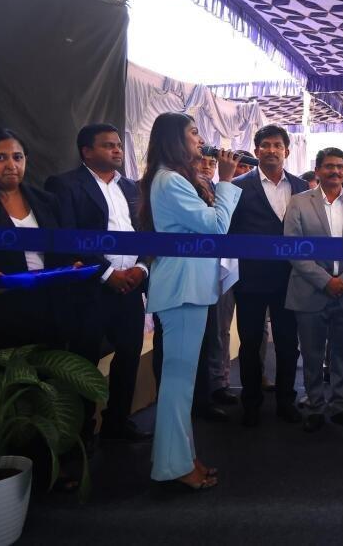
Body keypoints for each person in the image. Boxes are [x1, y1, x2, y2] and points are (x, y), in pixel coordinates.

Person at [138, 112, 242, 490]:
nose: (200, 139)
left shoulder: (173, 178)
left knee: (180, 383)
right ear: (173, 139)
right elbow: (215, 226)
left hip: (187, 287)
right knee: (177, 385)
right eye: (193, 132)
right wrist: (226, 181)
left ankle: (181, 458)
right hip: (182, 289)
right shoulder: (169, 180)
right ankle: (173, 467)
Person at [45, 123, 152, 442]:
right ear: (86, 151)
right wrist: (107, 274)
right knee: (84, 360)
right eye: (108, 145)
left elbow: (146, 232)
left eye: (118, 144)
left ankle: (118, 422)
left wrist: (141, 268)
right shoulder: (65, 185)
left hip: (131, 285)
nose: (117, 150)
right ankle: (81, 434)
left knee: (129, 355)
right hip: (90, 288)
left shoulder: (132, 187)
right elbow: (68, 236)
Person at [285, 147, 343, 432]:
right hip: (310, 290)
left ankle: (340, 406)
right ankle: (315, 406)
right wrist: (325, 281)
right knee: (311, 354)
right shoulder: (298, 202)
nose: (335, 171)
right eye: (329, 166)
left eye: (340, 166)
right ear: (318, 170)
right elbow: (293, 248)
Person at [228, 125, 308, 427]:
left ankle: (286, 401)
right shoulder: (237, 186)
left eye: (277, 145)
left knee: (288, 343)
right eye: (265, 145)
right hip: (250, 279)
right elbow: (230, 230)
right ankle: (250, 403)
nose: (271, 150)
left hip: (291, 278)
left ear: (286, 150)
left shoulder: (302, 187)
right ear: (256, 150)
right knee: (250, 344)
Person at [0, 128, 72, 355]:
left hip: (48, 309)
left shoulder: (46, 200)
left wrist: (71, 266)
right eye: (0, 158)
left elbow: (62, 245)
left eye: (17, 157)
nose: (11, 165)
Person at [206, 151, 255, 406]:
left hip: (252, 269)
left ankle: (258, 376)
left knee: (256, 329)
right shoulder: (215, 192)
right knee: (220, 327)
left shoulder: (257, 194)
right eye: (236, 165)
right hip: (222, 266)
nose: (240, 170)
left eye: (245, 166)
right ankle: (219, 381)